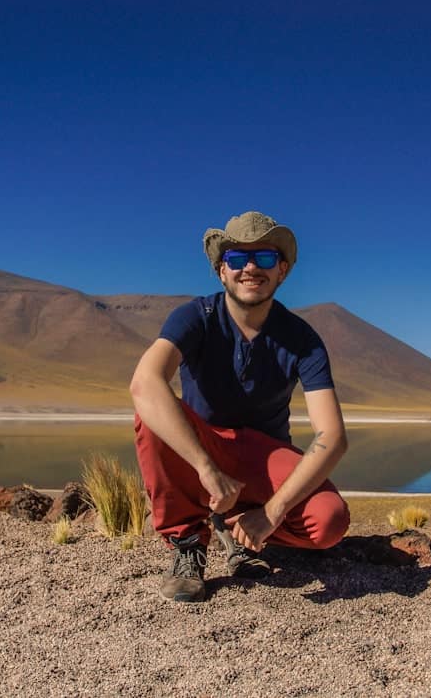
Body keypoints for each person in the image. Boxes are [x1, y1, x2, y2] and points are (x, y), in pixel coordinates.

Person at [130, 211, 350, 602]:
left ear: (282, 270)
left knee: (328, 521)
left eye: (264, 258)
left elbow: (332, 436)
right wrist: (205, 467)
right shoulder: (196, 317)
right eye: (236, 259)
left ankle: (240, 531)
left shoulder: (303, 340)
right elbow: (144, 383)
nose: (250, 268)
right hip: (205, 444)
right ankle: (186, 544)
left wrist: (273, 510)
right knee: (152, 414)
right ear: (221, 271)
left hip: (263, 456)